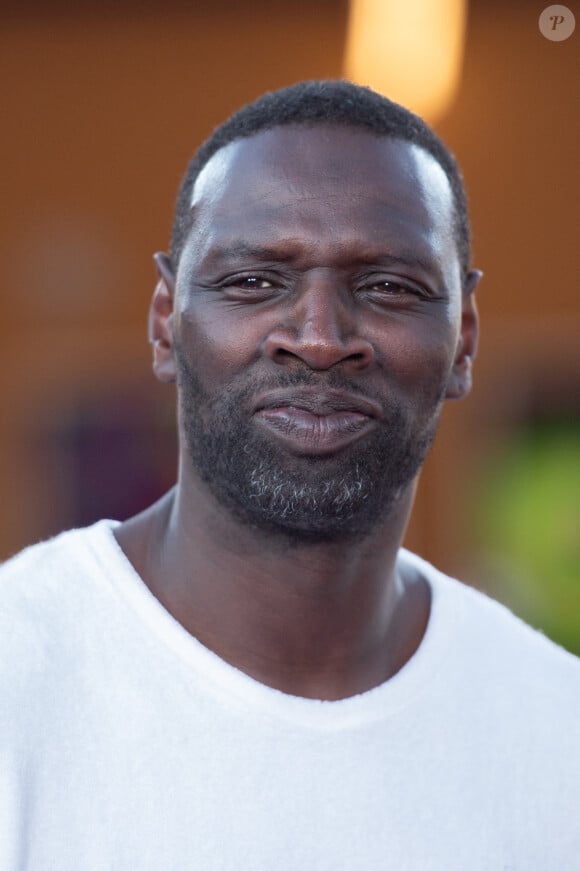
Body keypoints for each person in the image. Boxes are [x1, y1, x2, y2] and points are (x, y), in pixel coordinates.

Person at [1, 80, 578, 869]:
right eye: (253, 281)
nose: (317, 338)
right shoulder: (18, 679)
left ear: (464, 341)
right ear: (166, 322)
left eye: (387, 286)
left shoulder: (556, 731)